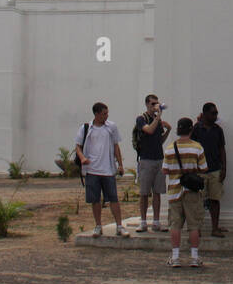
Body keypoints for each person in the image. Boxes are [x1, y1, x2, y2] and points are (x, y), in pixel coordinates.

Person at [76, 102, 130, 237]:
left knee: (113, 198)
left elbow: (116, 146)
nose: (106, 116)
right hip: (92, 170)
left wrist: (120, 164)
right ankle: (98, 225)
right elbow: (78, 146)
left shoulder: (111, 127)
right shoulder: (86, 128)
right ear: (97, 114)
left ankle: (119, 226)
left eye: (107, 113)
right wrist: (83, 158)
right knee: (95, 200)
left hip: (108, 169)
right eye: (104, 113)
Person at [161, 117, 208, 267]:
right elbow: (204, 168)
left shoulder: (169, 148)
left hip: (175, 190)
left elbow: (165, 170)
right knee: (194, 225)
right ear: (191, 130)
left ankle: (175, 257)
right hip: (192, 191)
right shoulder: (197, 147)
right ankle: (194, 257)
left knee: (175, 224)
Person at [133, 94, 171, 232]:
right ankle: (143, 221)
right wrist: (158, 118)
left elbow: (159, 141)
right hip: (146, 159)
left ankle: (156, 221)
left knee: (157, 192)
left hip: (158, 158)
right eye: (153, 104)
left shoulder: (158, 121)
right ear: (147, 104)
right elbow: (148, 130)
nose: (155, 106)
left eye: (157, 103)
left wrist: (168, 130)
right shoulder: (141, 119)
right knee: (144, 192)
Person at [192, 102, 227, 236]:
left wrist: (224, 168)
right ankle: (197, 228)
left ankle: (215, 228)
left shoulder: (218, 130)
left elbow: (222, 149)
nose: (215, 116)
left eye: (216, 113)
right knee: (198, 201)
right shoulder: (196, 129)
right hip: (200, 170)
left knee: (215, 199)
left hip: (215, 169)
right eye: (213, 113)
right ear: (205, 113)